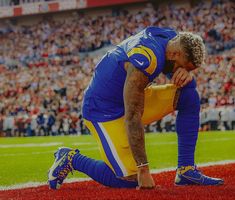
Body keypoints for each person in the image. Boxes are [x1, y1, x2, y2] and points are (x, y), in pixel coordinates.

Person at [48, 27, 223, 190]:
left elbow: (177, 68)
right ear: (175, 54)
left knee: (188, 95)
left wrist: (188, 75)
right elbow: (132, 116)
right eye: (183, 66)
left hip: (129, 98)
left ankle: (186, 169)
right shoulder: (147, 58)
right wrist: (143, 169)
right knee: (129, 179)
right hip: (104, 111)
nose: (182, 71)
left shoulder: (172, 40)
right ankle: (71, 158)